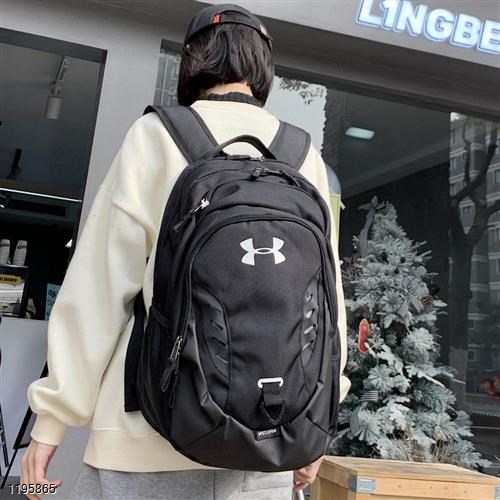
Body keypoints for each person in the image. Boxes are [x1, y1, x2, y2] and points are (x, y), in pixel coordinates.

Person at [20, 4, 351, 499]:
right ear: (264, 67)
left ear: (193, 60)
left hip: (147, 433)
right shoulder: (304, 156)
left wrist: (52, 418)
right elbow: (328, 306)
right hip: (270, 435)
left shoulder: (156, 135)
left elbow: (99, 287)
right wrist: (318, 422)